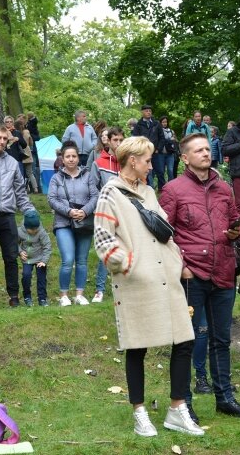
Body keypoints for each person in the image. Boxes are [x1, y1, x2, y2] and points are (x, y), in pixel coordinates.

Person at [93, 136, 203, 437]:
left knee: (184, 339)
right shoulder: (109, 194)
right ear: (132, 161)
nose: (151, 165)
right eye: (147, 160)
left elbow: (163, 231)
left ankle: (177, 409)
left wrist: (177, 261)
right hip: (137, 282)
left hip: (168, 278)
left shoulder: (149, 192)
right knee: (137, 345)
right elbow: (103, 240)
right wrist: (131, 265)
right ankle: (139, 412)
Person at [159, 133, 240, 422]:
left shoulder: (225, 188)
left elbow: (235, 220)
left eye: (206, 148)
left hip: (224, 270)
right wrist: (181, 267)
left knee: (221, 340)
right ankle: (183, 403)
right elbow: (164, 235)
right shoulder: (172, 190)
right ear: (185, 158)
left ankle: (224, 397)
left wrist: (235, 232)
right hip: (192, 273)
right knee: (186, 340)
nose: (205, 153)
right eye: (197, 150)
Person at [0, 126, 36, 308]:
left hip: (7, 216)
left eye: (5, 138)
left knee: (11, 257)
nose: (2, 141)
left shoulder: (12, 162)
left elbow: (20, 193)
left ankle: (13, 296)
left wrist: (30, 212)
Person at [47, 141, 99, 306]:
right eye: (67, 156)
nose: (71, 159)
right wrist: (69, 212)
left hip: (84, 222)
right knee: (68, 259)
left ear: (78, 158)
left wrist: (85, 211)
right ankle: (63, 295)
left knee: (82, 260)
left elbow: (95, 196)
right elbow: (52, 199)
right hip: (63, 222)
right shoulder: (56, 178)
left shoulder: (88, 175)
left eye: (74, 156)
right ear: (62, 159)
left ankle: (79, 294)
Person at [90, 127, 124, 302]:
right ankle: (100, 290)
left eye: (121, 140)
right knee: (107, 249)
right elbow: (93, 187)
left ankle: (124, 288)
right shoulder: (99, 162)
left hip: (125, 213)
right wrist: (101, 206)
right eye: (115, 140)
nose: (118, 143)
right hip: (106, 213)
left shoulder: (127, 162)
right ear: (108, 141)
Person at [18, 210, 52, 307]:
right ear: (26, 227)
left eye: (36, 228)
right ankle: (27, 297)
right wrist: (20, 252)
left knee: (41, 279)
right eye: (32, 229)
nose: (34, 231)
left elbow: (47, 246)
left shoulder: (41, 232)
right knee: (26, 276)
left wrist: (44, 261)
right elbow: (14, 243)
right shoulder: (20, 231)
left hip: (40, 259)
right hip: (27, 259)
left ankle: (42, 299)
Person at [132, 105, 166, 189]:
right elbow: (135, 138)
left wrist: (158, 149)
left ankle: (162, 190)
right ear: (142, 112)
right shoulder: (138, 125)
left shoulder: (156, 123)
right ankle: (147, 189)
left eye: (150, 111)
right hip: (144, 153)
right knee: (146, 171)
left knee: (160, 171)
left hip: (156, 152)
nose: (148, 112)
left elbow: (162, 137)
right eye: (146, 111)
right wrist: (141, 150)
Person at [17, 119, 38, 193]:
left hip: (20, 154)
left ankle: (27, 188)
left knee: (21, 173)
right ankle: (35, 188)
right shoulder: (27, 132)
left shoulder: (16, 133)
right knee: (30, 173)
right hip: (28, 153)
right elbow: (31, 142)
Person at [159, 117, 178, 183]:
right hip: (161, 153)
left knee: (170, 170)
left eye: (166, 122)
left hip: (170, 153)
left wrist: (174, 140)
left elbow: (176, 140)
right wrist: (169, 140)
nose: (164, 123)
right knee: (161, 171)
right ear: (160, 123)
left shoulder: (171, 131)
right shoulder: (158, 131)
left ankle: (171, 185)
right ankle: (162, 186)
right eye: (163, 122)